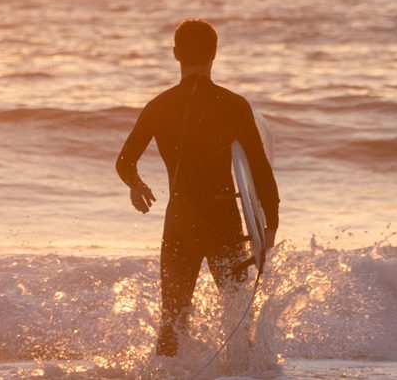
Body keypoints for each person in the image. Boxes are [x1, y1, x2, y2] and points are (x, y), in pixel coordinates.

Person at [116, 19, 279, 357]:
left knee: (172, 321)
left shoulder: (159, 106)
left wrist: (136, 185)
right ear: (215, 54)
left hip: (180, 220)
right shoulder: (233, 104)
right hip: (224, 220)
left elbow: (124, 161)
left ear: (175, 54)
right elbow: (260, 169)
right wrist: (270, 225)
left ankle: (163, 376)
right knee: (238, 315)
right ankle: (245, 374)